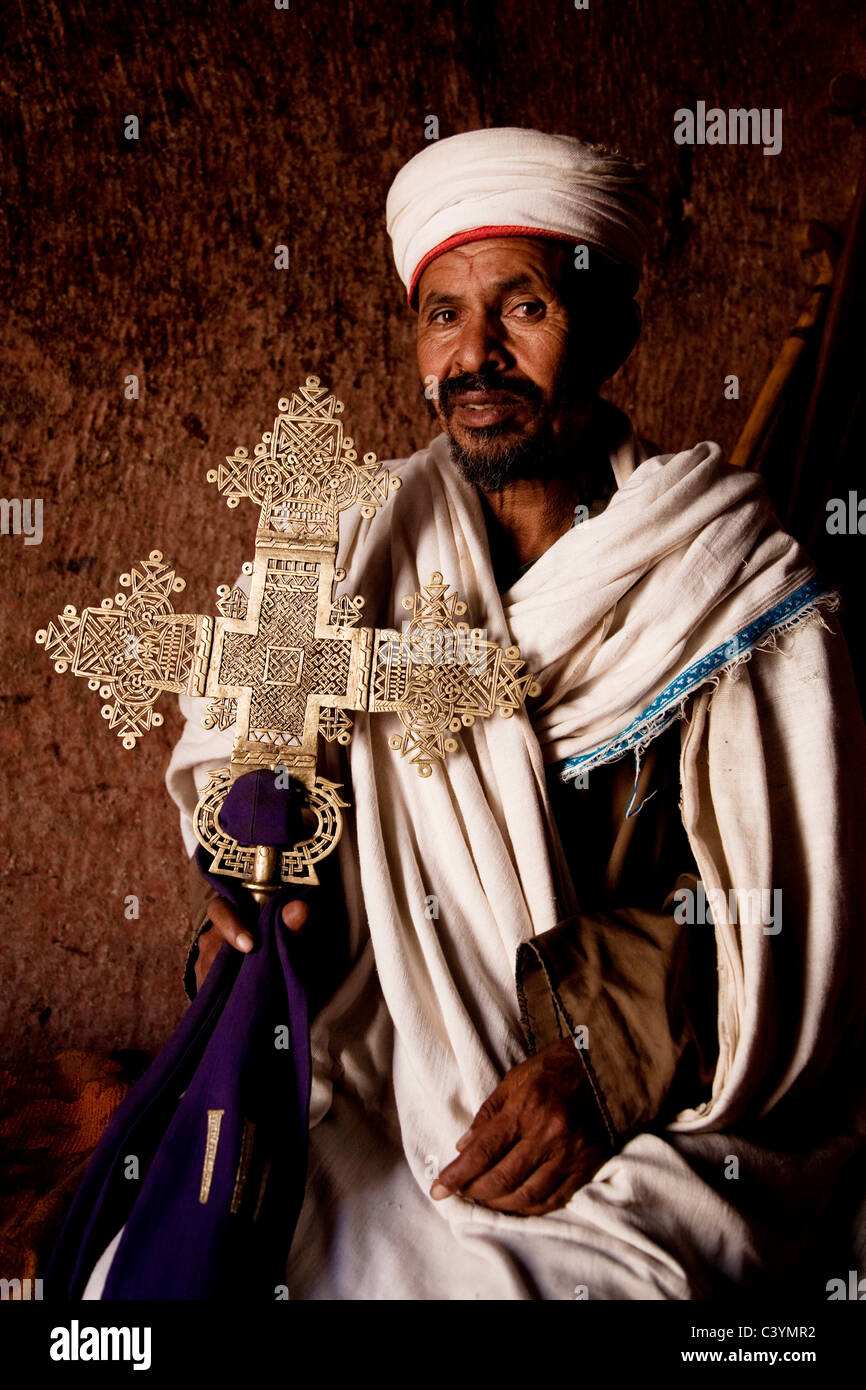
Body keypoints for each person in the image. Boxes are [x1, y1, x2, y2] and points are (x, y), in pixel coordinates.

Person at [164, 128, 865, 1299]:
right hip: (395, 1054)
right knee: (198, 1248)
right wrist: (254, 870)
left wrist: (599, 1056)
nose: (475, 354)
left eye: (522, 306)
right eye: (442, 314)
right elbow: (255, 743)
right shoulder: (356, 533)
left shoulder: (726, 574)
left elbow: (785, 919)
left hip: (657, 1088)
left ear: (611, 329)